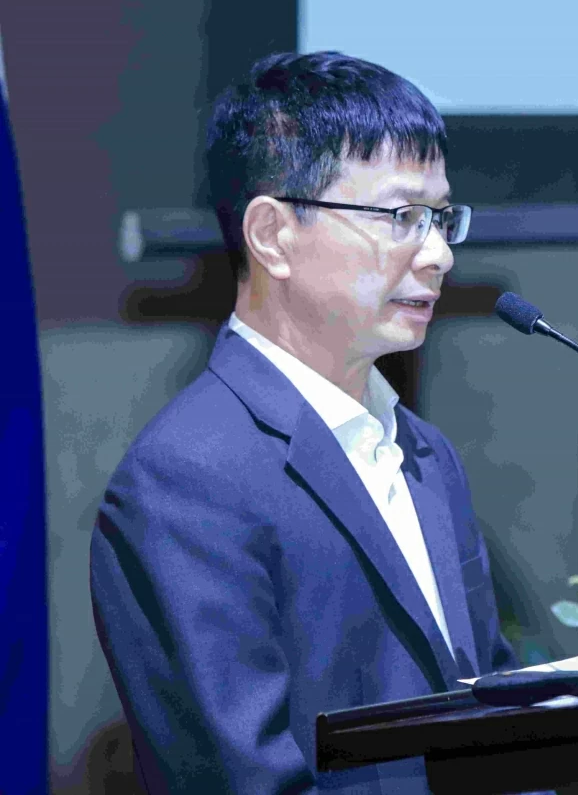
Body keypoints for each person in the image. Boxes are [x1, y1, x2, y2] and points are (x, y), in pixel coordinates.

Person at [90, 51, 521, 793]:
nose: (439, 255)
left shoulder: (427, 454)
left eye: (442, 219)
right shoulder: (186, 478)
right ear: (273, 235)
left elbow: (495, 714)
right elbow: (243, 776)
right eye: (402, 217)